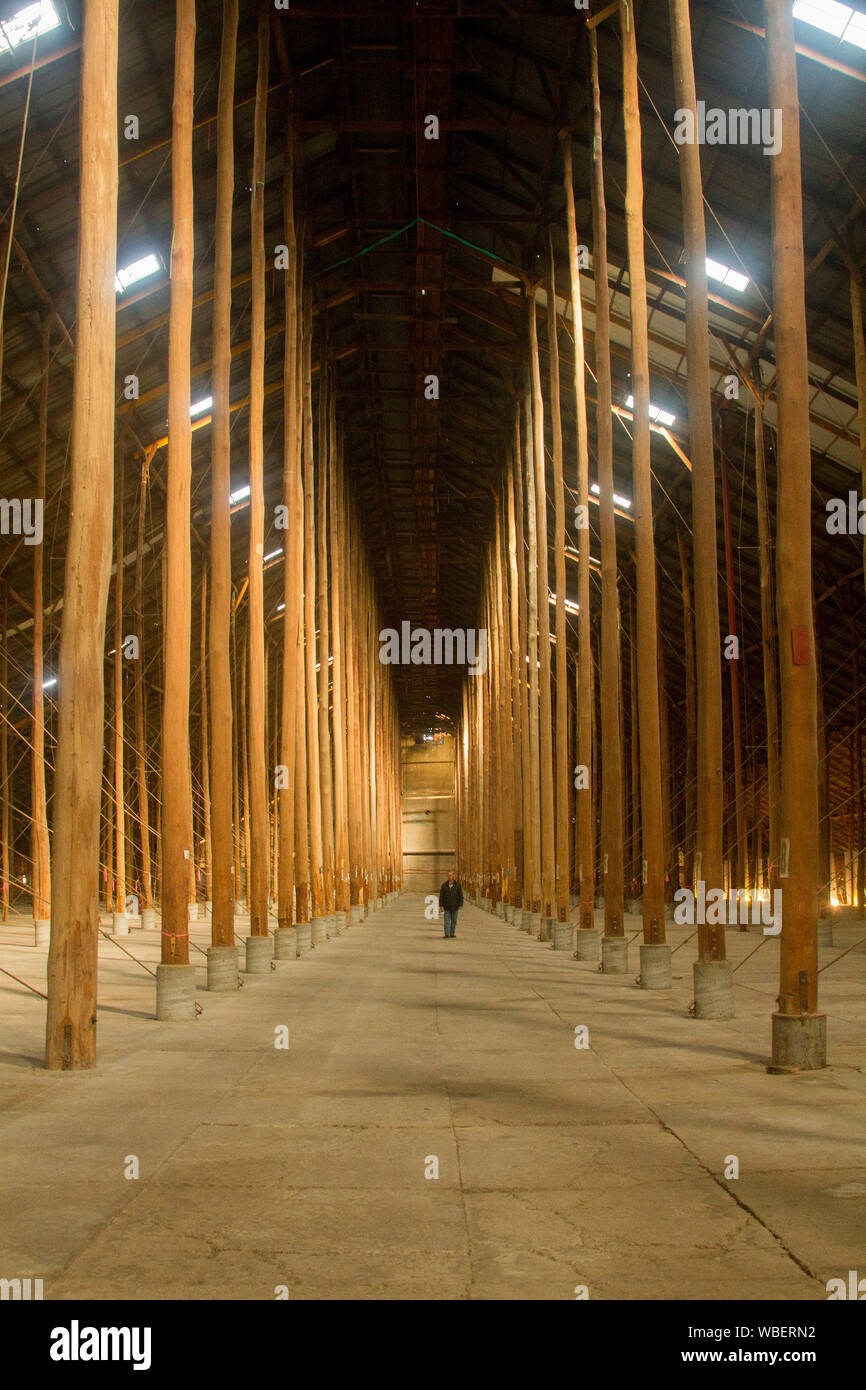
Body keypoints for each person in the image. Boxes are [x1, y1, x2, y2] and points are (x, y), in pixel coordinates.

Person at [439, 869, 463, 938]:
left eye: (451, 875)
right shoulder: (444, 885)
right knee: (446, 921)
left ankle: (452, 933)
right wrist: (441, 905)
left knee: (454, 921)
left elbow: (460, 896)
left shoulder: (458, 886)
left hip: (455, 907)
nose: (449, 877)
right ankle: (447, 934)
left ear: (453, 876)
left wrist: (461, 904)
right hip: (446, 907)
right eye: (448, 875)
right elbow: (441, 896)